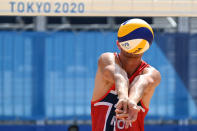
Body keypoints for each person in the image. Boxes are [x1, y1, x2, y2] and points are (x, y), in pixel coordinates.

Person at [91, 18, 161, 131]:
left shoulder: (150, 74)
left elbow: (140, 83)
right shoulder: (107, 59)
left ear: (118, 44)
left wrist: (131, 100)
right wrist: (124, 97)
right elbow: (120, 76)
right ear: (147, 46)